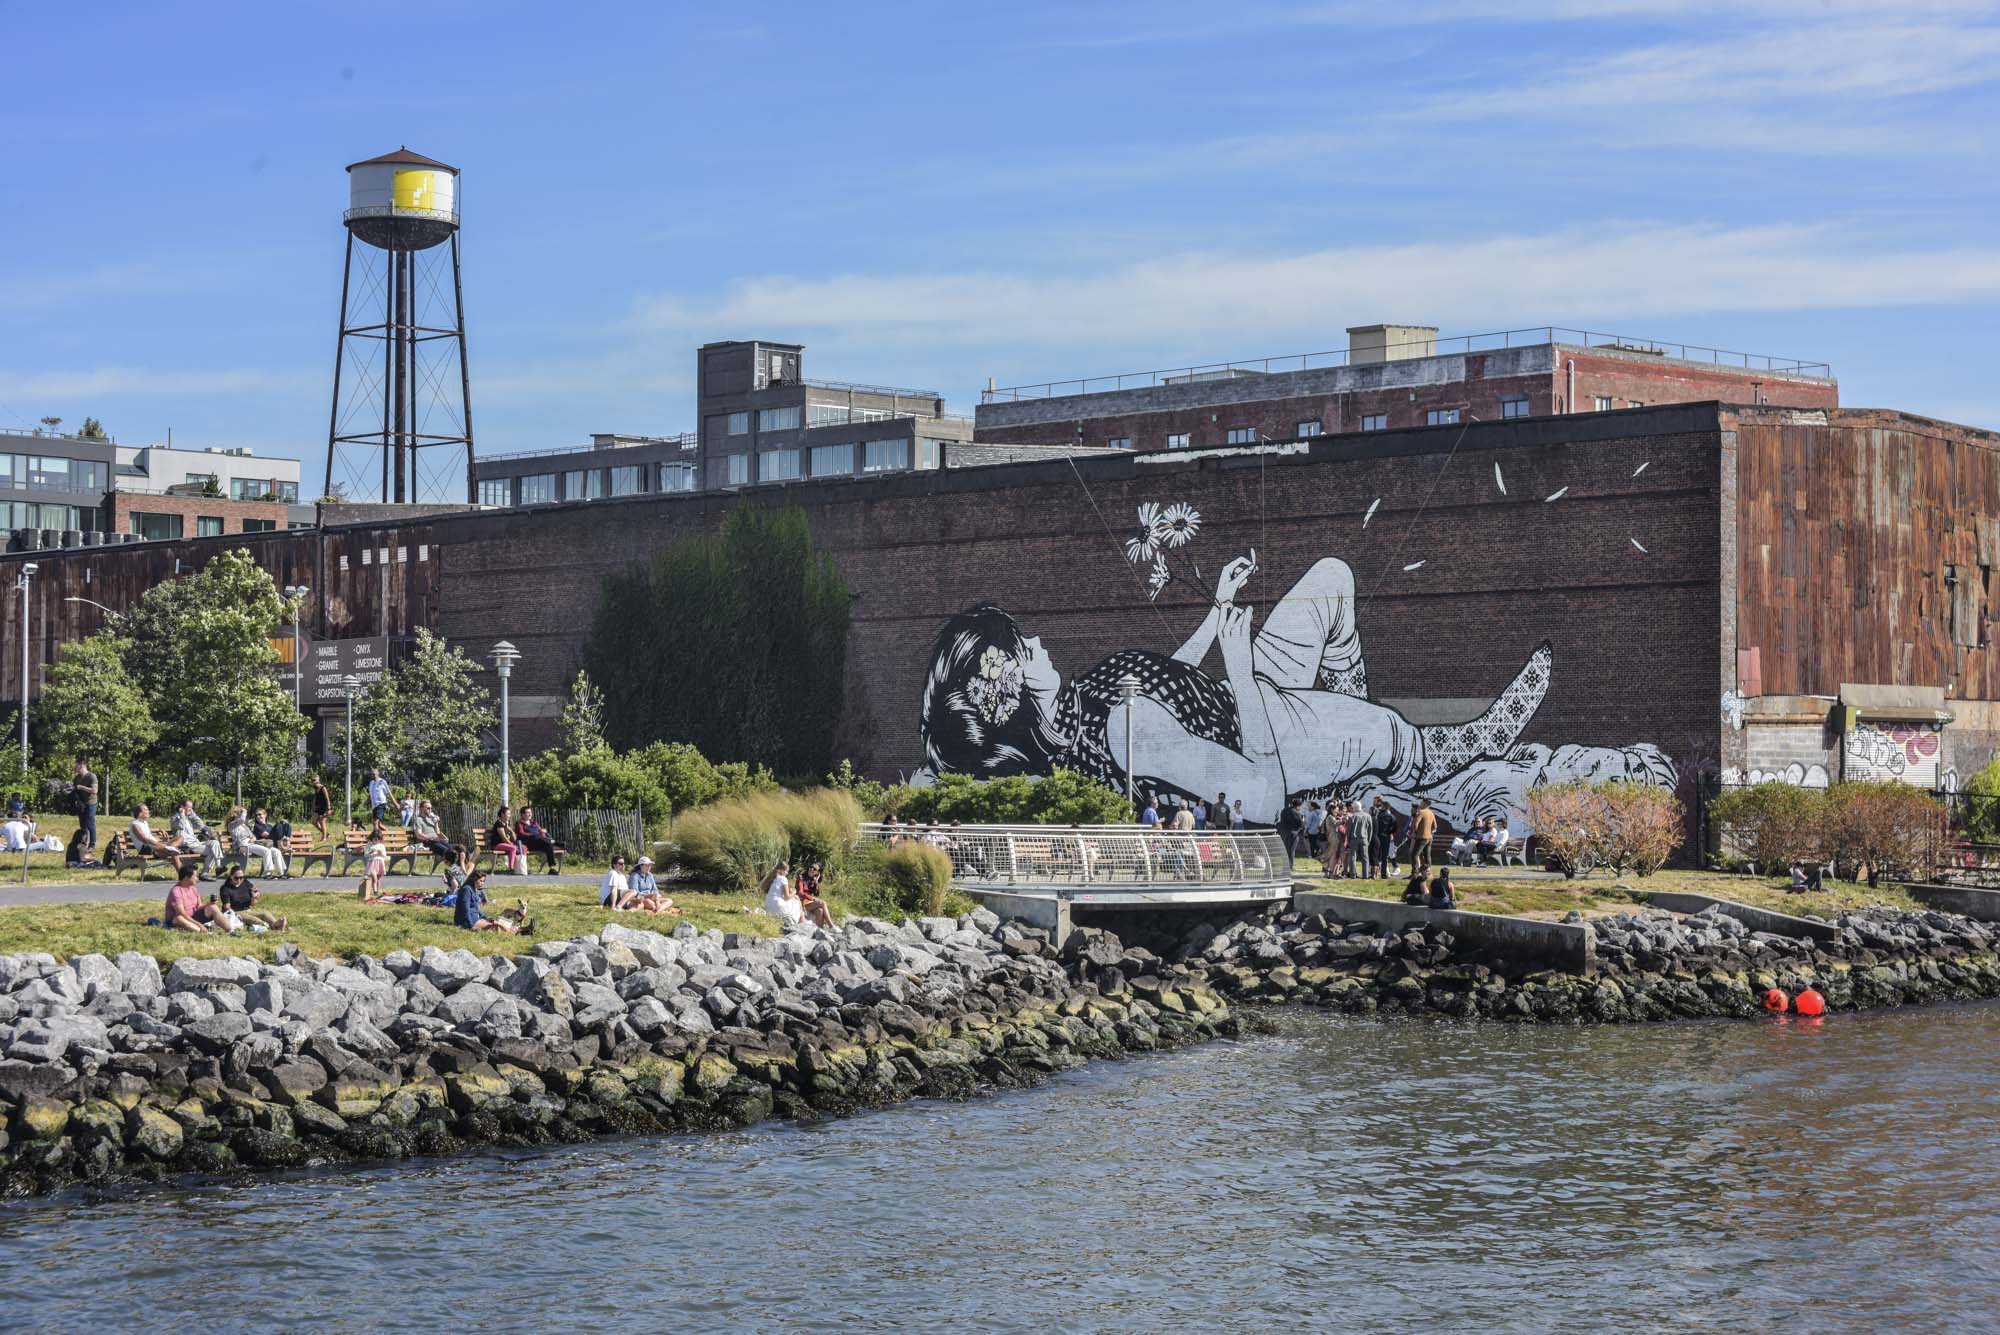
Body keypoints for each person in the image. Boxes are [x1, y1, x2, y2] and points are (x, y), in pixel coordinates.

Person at [455, 869, 530, 934]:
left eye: (483, 881)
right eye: (480, 881)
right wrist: (470, 925)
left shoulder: (474, 890)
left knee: (499, 922)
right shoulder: (467, 890)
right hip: (466, 921)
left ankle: (523, 929)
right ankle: (522, 931)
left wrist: (486, 917)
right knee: (497, 926)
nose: (482, 883)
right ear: (474, 879)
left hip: (475, 918)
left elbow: (476, 908)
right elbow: (465, 909)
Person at [217, 865, 286, 931]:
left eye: (241, 877)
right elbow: (226, 907)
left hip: (247, 910)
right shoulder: (225, 888)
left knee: (265, 914)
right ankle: (274, 927)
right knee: (254, 919)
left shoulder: (245, 883)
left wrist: (255, 897)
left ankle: (275, 924)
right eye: (236, 878)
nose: (239, 880)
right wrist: (235, 914)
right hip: (235, 912)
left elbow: (253, 902)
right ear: (231, 877)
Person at [163, 864, 228, 933]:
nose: (197, 879)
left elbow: (199, 906)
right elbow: (182, 913)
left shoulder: (193, 889)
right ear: (186, 878)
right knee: (179, 918)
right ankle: (205, 933)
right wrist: (199, 924)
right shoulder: (176, 891)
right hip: (179, 919)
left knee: (213, 907)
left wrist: (209, 904)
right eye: (195, 876)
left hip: (193, 917)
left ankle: (230, 930)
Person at [227, 805, 287, 877]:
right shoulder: (231, 825)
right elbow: (242, 820)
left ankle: (281, 873)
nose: (242, 815)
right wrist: (244, 810)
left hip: (251, 844)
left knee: (276, 851)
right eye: (240, 813)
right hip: (242, 845)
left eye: (241, 813)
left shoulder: (244, 826)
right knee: (266, 851)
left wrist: (253, 838)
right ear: (235, 814)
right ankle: (267, 873)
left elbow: (252, 835)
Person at [170, 799, 224, 876]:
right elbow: (181, 826)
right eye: (189, 808)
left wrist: (194, 815)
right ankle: (205, 872)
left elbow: (201, 825)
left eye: (192, 808)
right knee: (212, 851)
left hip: (196, 843)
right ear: (182, 807)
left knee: (215, 843)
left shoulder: (188, 818)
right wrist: (182, 814)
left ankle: (218, 866)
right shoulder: (175, 818)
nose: (190, 810)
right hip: (187, 845)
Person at [516, 805, 560, 873]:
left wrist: (542, 834)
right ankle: (554, 842)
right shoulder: (519, 823)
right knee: (544, 841)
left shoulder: (534, 822)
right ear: (523, 814)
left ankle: (552, 868)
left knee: (549, 846)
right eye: (528, 812)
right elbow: (521, 834)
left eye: (530, 812)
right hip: (529, 843)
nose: (530, 814)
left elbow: (540, 831)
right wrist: (534, 834)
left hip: (540, 842)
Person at [761, 860, 803, 927]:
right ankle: (802, 921)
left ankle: (802, 921)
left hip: (768, 907)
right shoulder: (783, 879)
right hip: (777, 907)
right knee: (797, 899)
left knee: (794, 898)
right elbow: (787, 897)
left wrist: (791, 893)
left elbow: (778, 893)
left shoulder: (773, 878)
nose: (787, 873)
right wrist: (794, 892)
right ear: (782, 870)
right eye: (786, 871)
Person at [793, 859, 833, 928]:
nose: (811, 869)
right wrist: (811, 898)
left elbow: (817, 894)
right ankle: (831, 926)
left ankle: (820, 931)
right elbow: (799, 893)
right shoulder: (801, 877)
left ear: (817, 872)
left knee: (820, 910)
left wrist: (816, 882)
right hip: (801, 902)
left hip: (808, 902)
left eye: (814, 869)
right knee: (823, 903)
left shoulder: (813, 880)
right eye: (811, 867)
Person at [488, 806, 527, 875]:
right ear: (503, 815)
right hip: (497, 845)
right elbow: (504, 838)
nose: (510, 816)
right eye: (508, 814)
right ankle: (511, 868)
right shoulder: (499, 824)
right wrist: (512, 844)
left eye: (510, 814)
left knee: (523, 847)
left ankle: (520, 867)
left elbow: (514, 839)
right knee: (513, 848)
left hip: (505, 845)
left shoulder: (505, 824)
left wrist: (512, 831)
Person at [71, 759, 98, 853]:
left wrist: (81, 787)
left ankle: (92, 844)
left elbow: (94, 791)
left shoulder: (92, 776)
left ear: (82, 766)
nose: (75, 768)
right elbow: (75, 791)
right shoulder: (77, 778)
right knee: (83, 825)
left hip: (91, 803)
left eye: (76, 766)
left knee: (90, 823)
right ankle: (83, 843)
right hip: (81, 804)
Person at [357, 821, 388, 900]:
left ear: (380, 839)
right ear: (372, 838)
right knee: (374, 877)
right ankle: (374, 891)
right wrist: (371, 852)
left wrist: (380, 853)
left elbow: (384, 855)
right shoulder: (369, 845)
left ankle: (377, 890)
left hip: (380, 862)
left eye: (377, 839)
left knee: (378, 878)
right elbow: (366, 855)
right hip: (372, 862)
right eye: (374, 839)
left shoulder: (381, 845)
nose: (376, 841)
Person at [1410, 797, 1437, 874]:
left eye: (1421, 802)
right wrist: (1429, 832)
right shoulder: (1431, 813)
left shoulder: (1421, 812)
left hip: (1421, 837)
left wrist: (1414, 833)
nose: (1420, 804)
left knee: (1414, 855)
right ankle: (1428, 872)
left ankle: (1415, 873)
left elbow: (1415, 824)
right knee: (1427, 856)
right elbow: (1435, 827)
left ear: (1425, 804)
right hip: (1429, 838)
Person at [1277, 798, 1305, 863]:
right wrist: (1303, 820)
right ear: (1298, 806)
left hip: (1283, 832)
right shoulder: (1297, 813)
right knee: (1291, 850)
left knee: (1286, 849)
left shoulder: (1284, 810)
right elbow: (1301, 825)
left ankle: (1285, 864)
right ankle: (1290, 865)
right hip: (1293, 833)